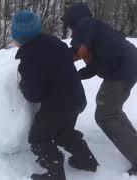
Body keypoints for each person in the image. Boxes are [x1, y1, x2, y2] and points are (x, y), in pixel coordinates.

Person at [11, 10, 99, 180]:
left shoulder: (28, 60)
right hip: (76, 98)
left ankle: (55, 174)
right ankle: (86, 161)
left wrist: (22, 84)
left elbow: (33, 96)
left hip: (58, 106)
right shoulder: (54, 42)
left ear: (19, 37)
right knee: (63, 132)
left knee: (38, 138)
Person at [62, 3, 137, 176]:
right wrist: (76, 76)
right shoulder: (98, 31)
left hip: (121, 69)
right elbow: (94, 66)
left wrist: (58, 59)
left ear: (75, 19)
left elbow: (79, 51)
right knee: (113, 112)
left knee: (106, 115)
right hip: (126, 66)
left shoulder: (86, 24)